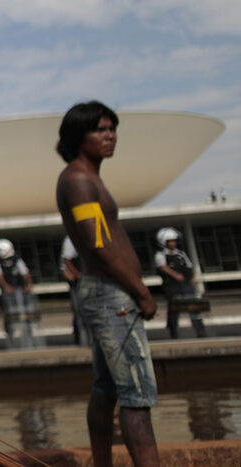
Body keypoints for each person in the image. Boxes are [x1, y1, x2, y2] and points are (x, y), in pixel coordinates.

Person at [56, 100, 159, 467]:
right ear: (77, 137)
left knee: (108, 387)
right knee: (136, 393)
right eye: (99, 129)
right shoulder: (79, 180)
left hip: (106, 292)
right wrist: (142, 291)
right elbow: (99, 245)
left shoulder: (87, 177)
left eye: (112, 128)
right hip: (110, 294)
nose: (110, 135)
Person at [153, 227, 207, 339]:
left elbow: (189, 266)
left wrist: (191, 278)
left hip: (185, 285)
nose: (173, 243)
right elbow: (162, 267)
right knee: (174, 310)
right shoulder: (161, 255)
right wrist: (175, 275)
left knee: (194, 307)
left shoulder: (180, 254)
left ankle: (200, 331)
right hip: (172, 286)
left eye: (174, 240)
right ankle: (174, 333)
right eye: (170, 241)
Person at [0, 239, 37, 350]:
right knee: (9, 317)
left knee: (25, 315)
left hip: (20, 292)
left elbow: (25, 273)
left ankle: (27, 339)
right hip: (8, 295)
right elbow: (0, 278)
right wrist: (7, 287)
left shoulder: (17, 261)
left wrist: (29, 284)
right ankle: (11, 340)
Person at [60, 236, 90, 345]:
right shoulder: (71, 239)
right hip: (79, 283)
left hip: (90, 280)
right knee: (79, 311)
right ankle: (81, 339)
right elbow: (66, 260)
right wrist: (78, 275)